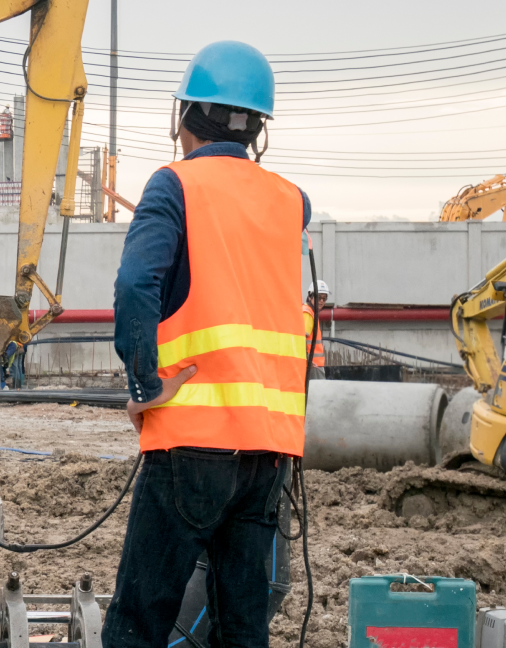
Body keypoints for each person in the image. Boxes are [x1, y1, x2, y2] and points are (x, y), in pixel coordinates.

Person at [104, 41, 310, 648]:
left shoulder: (175, 186)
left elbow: (135, 284)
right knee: (243, 628)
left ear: (184, 116)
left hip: (192, 441)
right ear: (258, 130)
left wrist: (144, 383)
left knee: (139, 620)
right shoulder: (289, 201)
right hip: (268, 452)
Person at [303, 280, 329, 376]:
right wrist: (307, 360)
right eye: (319, 297)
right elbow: (301, 340)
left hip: (313, 365)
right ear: (310, 296)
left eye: (324, 298)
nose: (321, 301)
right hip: (313, 366)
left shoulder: (311, 313)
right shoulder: (308, 313)